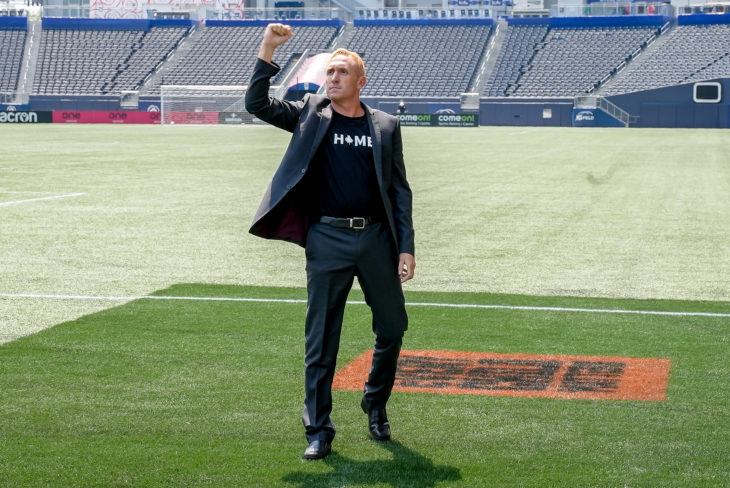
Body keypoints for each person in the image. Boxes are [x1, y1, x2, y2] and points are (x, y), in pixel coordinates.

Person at [244, 24, 415, 461]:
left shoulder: (386, 126)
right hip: (327, 238)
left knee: (393, 326)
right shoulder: (309, 114)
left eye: (342, 72)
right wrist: (267, 50)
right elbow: (257, 103)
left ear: (361, 82)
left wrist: (406, 247)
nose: (333, 77)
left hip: (376, 238)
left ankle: (374, 403)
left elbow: (399, 191)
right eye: (330, 72)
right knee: (322, 338)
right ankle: (318, 429)